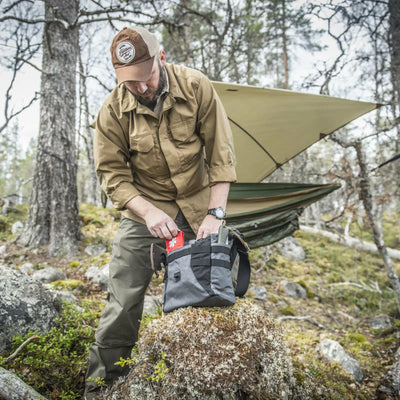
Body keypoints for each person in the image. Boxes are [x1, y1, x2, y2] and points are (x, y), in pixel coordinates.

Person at [84, 26, 237, 399]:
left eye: (145, 77)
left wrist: (215, 215)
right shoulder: (111, 111)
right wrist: (149, 212)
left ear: (162, 58)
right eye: (129, 81)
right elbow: (113, 176)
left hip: (201, 207)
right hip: (144, 211)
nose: (139, 88)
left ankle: (205, 384)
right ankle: (100, 386)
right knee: (123, 300)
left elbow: (221, 158)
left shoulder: (196, 87)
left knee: (212, 296)